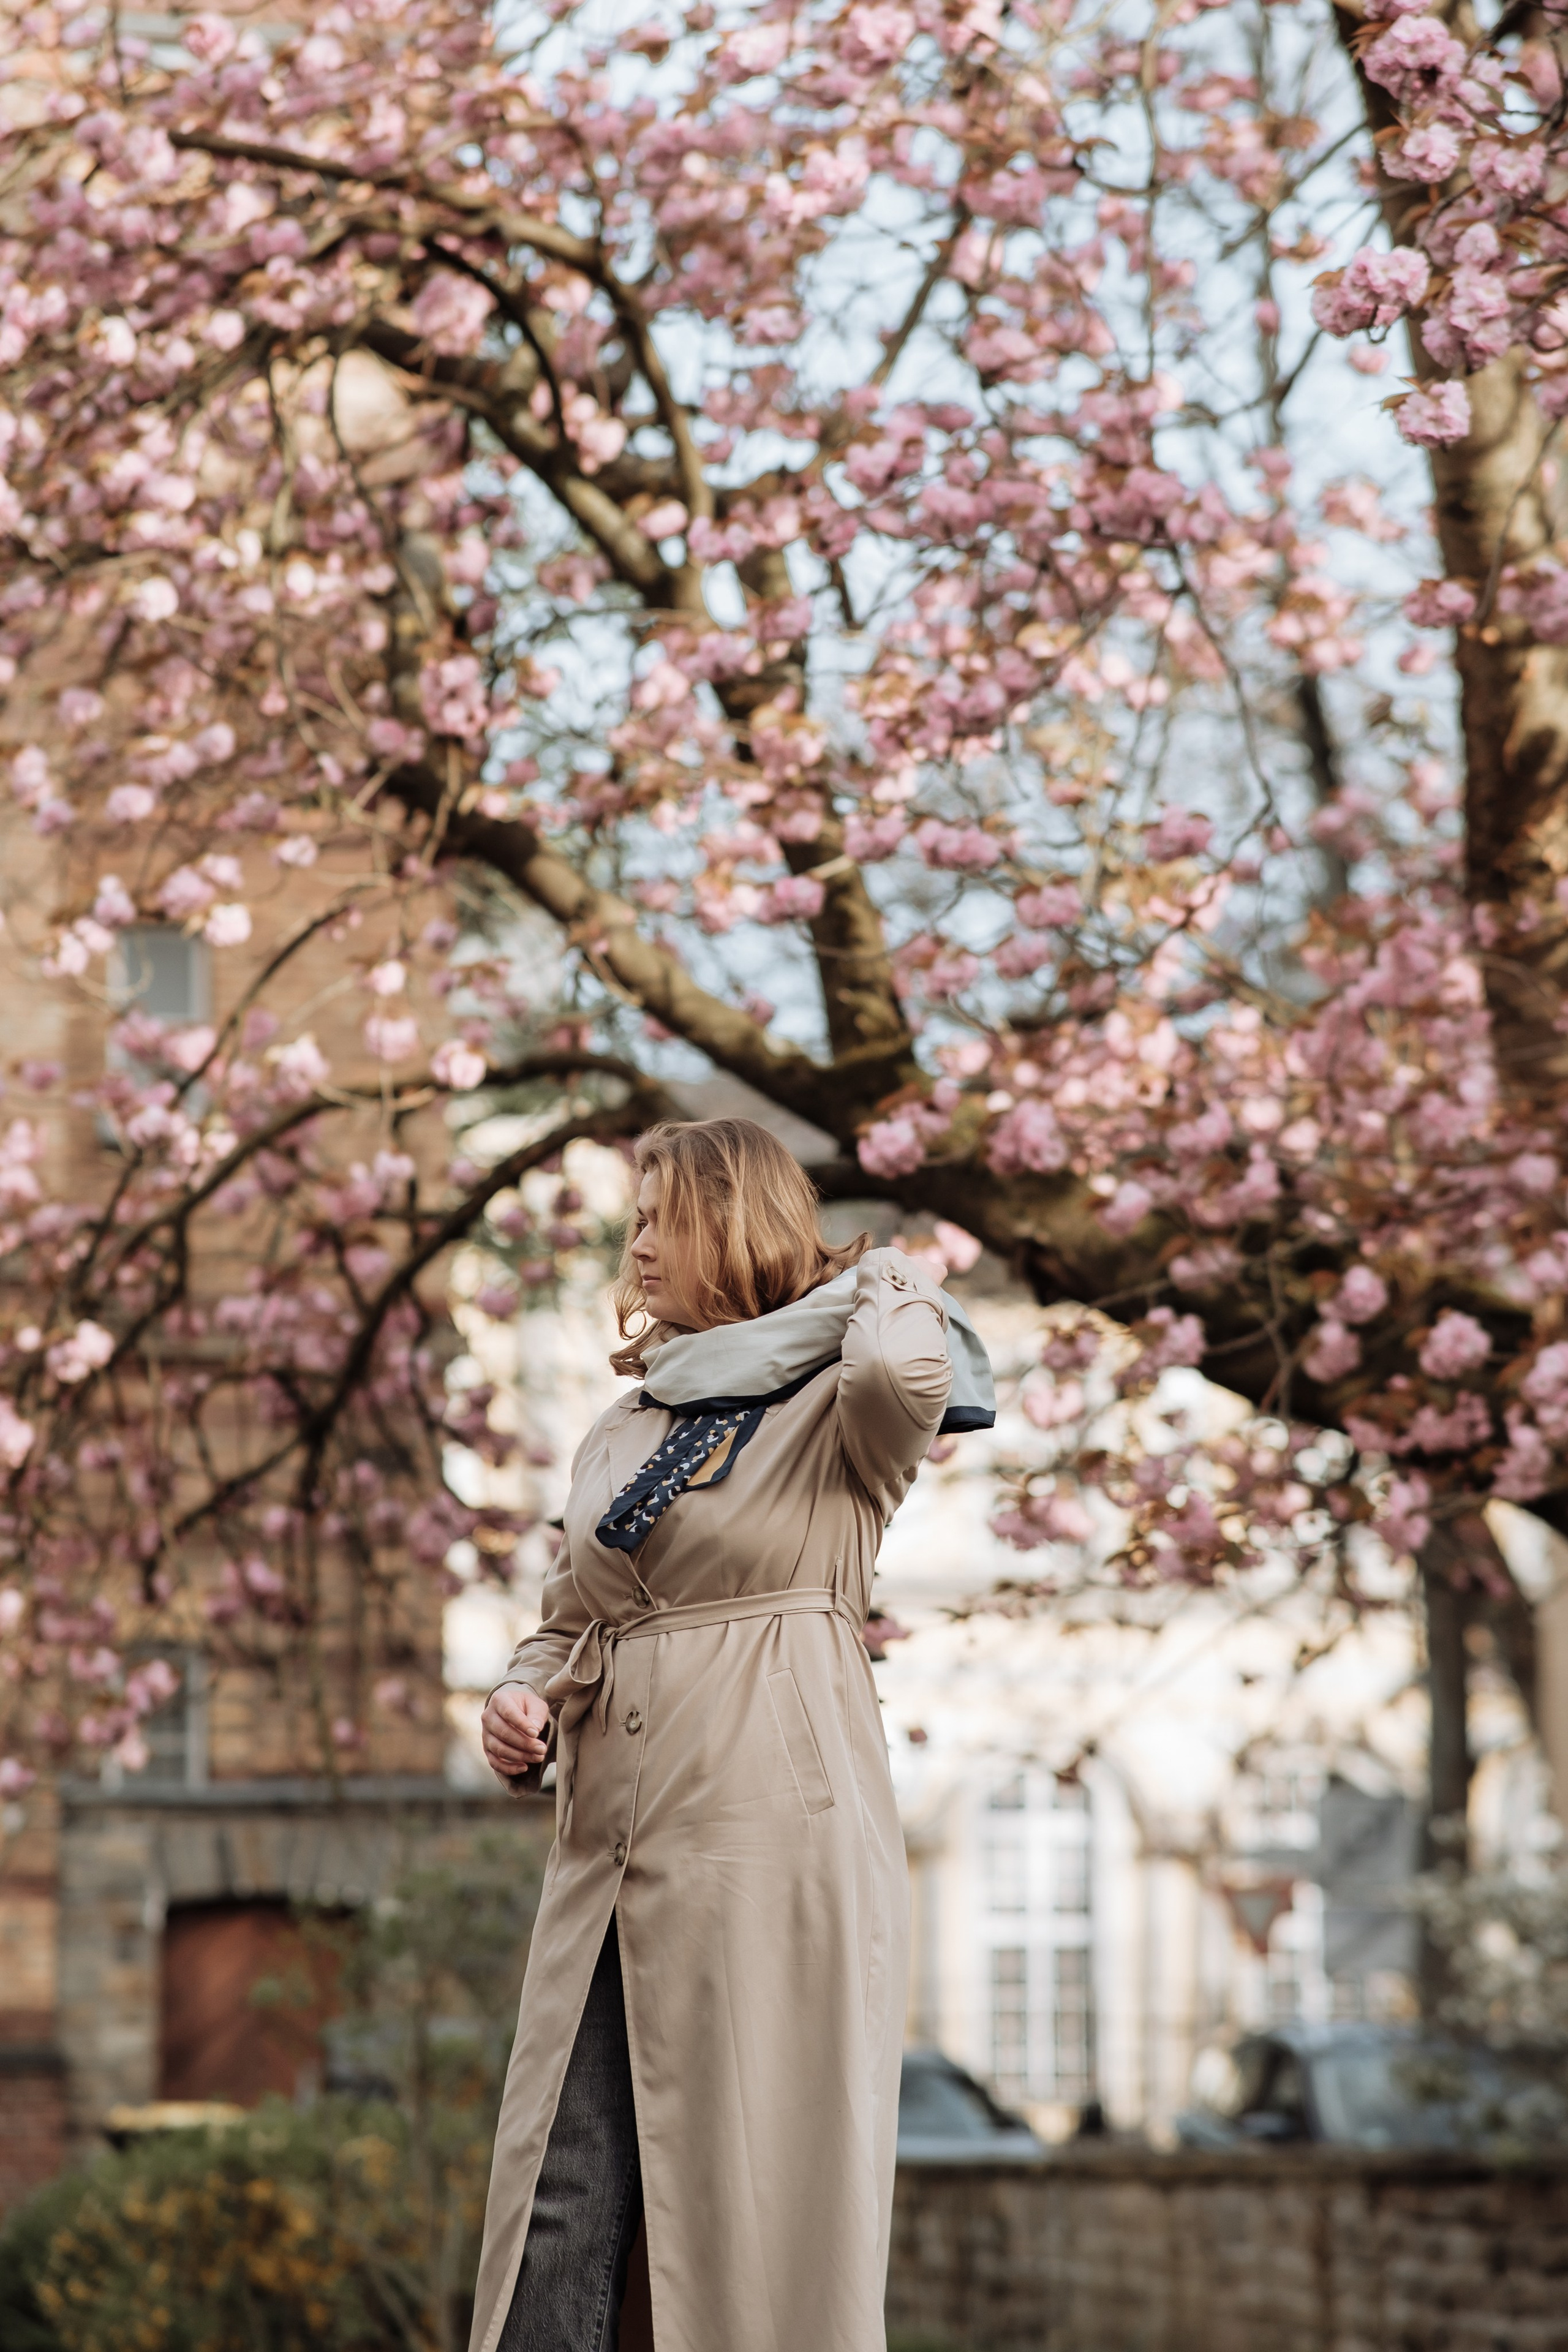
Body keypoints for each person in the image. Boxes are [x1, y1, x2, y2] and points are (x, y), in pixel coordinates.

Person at [472, 1117, 993, 2352]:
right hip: (608, 1850)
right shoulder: (626, 1422)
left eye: (661, 1219)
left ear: (731, 1222)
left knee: (741, 2199)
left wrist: (880, 1275)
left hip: (765, 1837)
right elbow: (566, 1619)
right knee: (566, 2178)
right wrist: (523, 1699)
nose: (635, 1246)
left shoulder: (834, 1412)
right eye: (633, 1221)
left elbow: (901, 1380)